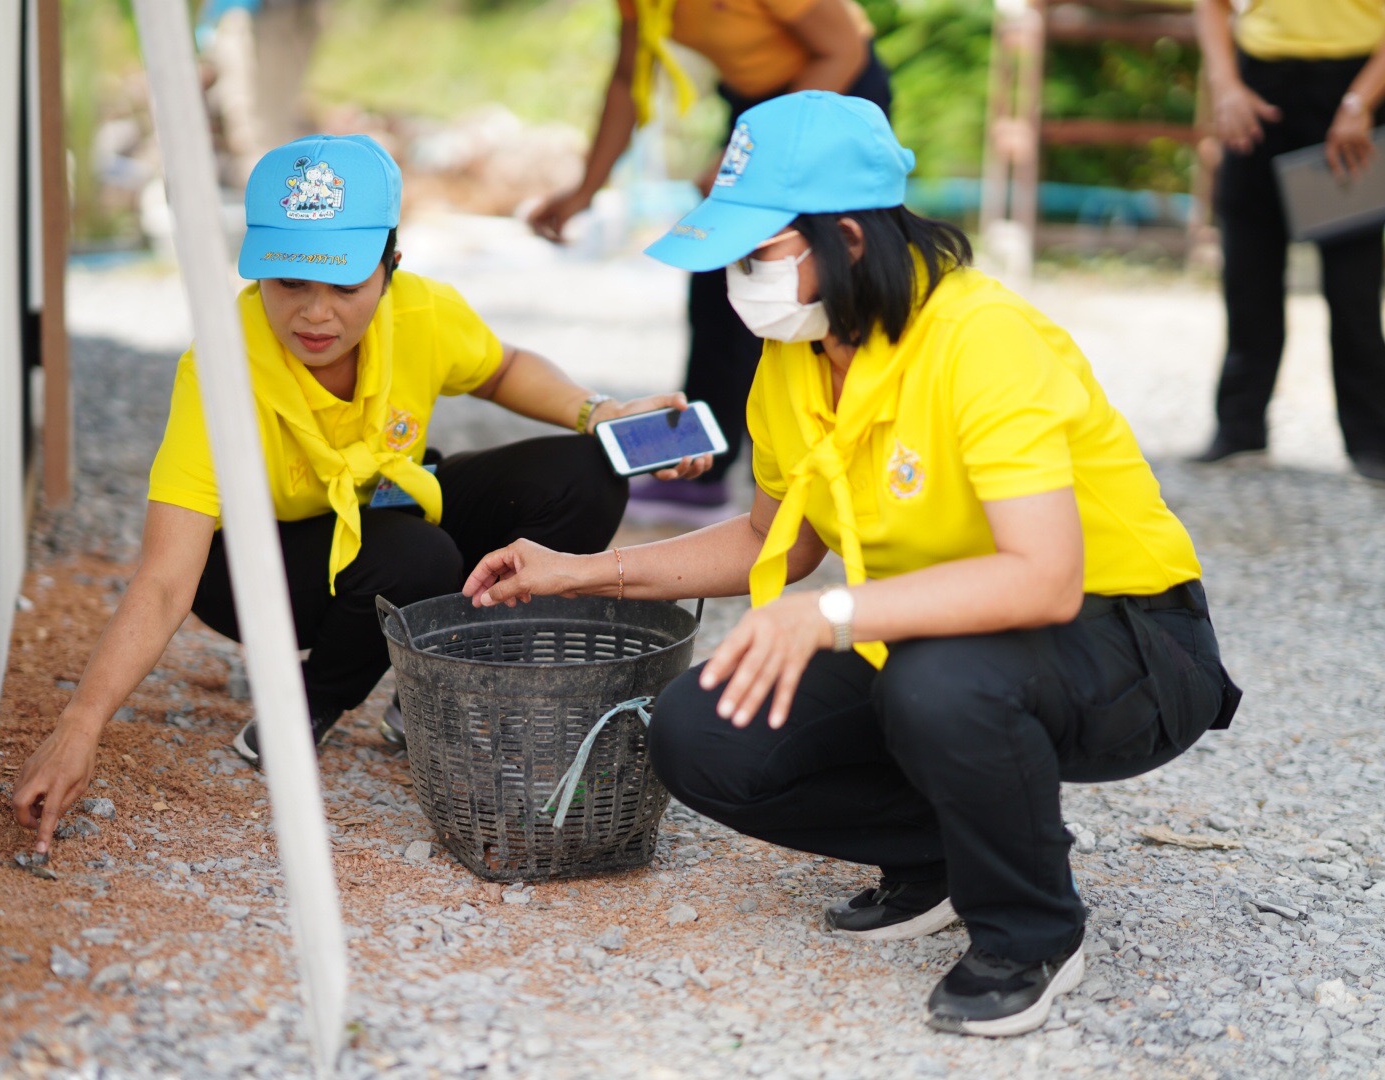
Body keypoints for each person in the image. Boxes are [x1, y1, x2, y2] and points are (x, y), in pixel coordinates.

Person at [465, 93, 1242, 1036]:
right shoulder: (793, 352)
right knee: (702, 730)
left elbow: (1042, 577)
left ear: (848, 238)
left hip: (1128, 642)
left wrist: (830, 617)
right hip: (940, 637)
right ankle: (945, 855)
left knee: (934, 680)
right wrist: (581, 571)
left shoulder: (982, 339)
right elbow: (776, 541)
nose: (738, 282)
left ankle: (1031, 930)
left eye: (757, 255)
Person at [13, 134, 708, 854]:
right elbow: (164, 580)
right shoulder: (220, 369)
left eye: (345, 286)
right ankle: (307, 705)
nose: (315, 314)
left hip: (385, 512)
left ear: (390, 268)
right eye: (289, 282)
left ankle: (431, 684)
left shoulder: (421, 314)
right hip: (256, 568)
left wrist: (599, 412)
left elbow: (501, 369)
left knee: (586, 472)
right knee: (416, 556)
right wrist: (79, 726)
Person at [529, 0, 892, 511]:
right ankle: (701, 470)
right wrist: (587, 188)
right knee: (720, 281)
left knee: (815, 281)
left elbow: (842, 50)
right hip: (754, 108)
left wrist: (757, 151)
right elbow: (628, 82)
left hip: (835, 94)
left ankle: (859, 457)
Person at [1195, 0, 1385, 480]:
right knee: (1248, 269)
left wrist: (1360, 102)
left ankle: (1372, 440)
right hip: (1259, 84)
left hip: (1353, 87)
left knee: (1353, 283)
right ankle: (1239, 429)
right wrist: (1226, 85)